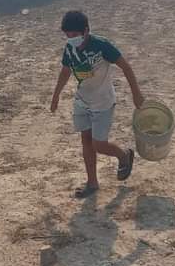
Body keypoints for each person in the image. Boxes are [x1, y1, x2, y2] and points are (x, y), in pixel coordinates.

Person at [49, 10, 144, 199]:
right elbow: (66, 71)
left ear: (85, 31)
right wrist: (56, 95)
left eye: (74, 35)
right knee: (85, 141)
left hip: (103, 102)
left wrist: (136, 93)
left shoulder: (101, 45)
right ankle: (92, 183)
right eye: (67, 35)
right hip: (82, 101)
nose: (70, 39)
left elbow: (125, 66)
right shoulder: (69, 49)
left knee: (98, 144)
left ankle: (123, 155)